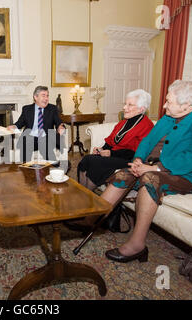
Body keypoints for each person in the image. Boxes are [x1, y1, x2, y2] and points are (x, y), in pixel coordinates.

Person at [100, 80, 192, 263]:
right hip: (166, 169)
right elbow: (147, 140)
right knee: (124, 173)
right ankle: (93, 217)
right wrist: (138, 160)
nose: (164, 105)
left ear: (187, 105)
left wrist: (153, 168)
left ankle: (137, 244)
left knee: (150, 178)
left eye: (169, 101)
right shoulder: (168, 118)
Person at [65, 89, 154, 233]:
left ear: (141, 109)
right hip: (114, 156)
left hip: (128, 159)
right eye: (125, 104)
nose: (124, 108)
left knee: (96, 163)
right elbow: (111, 140)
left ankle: (88, 210)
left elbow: (136, 151)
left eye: (129, 105)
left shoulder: (147, 125)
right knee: (87, 159)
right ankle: (85, 202)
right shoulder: (123, 122)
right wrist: (101, 149)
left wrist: (110, 153)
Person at [8, 86, 66, 163]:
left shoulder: (52, 108)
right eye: (43, 95)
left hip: (46, 138)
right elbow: (19, 123)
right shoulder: (27, 109)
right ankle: (26, 168)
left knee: (48, 151)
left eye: (47, 96)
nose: (46, 98)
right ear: (35, 97)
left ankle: (53, 166)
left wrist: (60, 127)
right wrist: (13, 126)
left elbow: (58, 122)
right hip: (30, 138)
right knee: (26, 142)